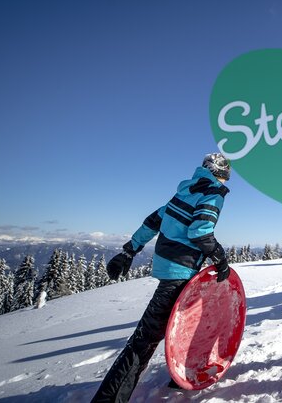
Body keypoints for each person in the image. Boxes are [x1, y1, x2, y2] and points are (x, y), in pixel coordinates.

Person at [91, 153, 232, 403]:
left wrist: (129, 250)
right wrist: (220, 257)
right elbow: (200, 231)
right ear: (222, 174)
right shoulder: (214, 191)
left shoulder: (186, 190)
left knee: (185, 326)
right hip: (180, 272)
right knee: (143, 341)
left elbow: (153, 221)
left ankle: (180, 378)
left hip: (174, 270)